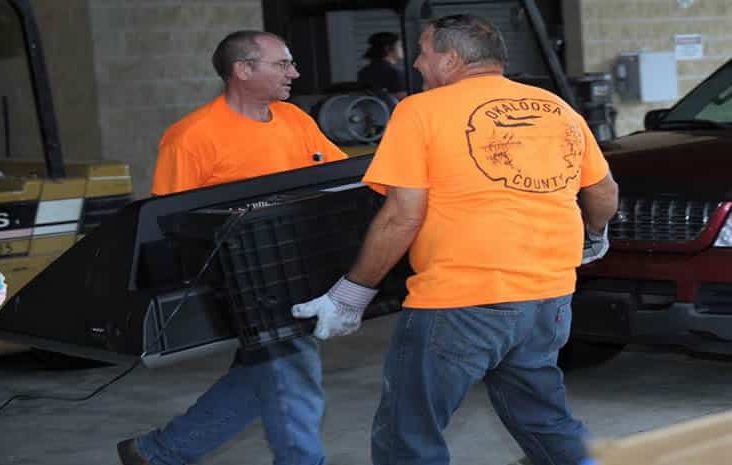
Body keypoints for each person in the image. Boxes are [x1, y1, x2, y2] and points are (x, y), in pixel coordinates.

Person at [292, 14, 618, 465]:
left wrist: (351, 295)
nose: (417, 64)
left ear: (450, 59)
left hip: (460, 301)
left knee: (408, 435)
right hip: (548, 299)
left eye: (424, 53)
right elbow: (603, 191)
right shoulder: (556, 107)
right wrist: (594, 236)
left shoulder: (421, 111)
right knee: (543, 418)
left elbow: (401, 217)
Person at [118, 30, 347, 465]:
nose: (295, 73)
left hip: (298, 269)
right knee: (293, 374)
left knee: (262, 374)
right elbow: (170, 226)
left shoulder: (296, 121)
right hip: (243, 283)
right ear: (243, 70)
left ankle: (157, 453)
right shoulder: (191, 137)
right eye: (282, 64)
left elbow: (340, 178)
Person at [357, 32, 407, 99]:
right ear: (387, 48)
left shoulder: (363, 72)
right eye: (400, 46)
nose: (403, 49)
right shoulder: (395, 72)